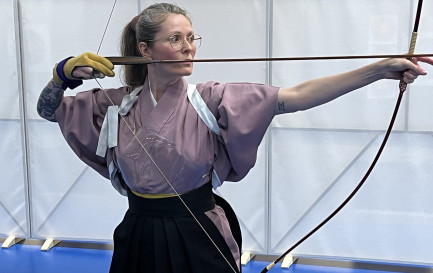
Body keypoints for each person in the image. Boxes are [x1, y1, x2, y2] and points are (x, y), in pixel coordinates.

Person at [36, 3, 433, 273]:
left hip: (199, 228)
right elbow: (48, 109)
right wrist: (62, 73)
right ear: (145, 49)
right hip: (138, 228)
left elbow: (294, 97)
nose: (188, 47)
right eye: (175, 39)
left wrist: (379, 69)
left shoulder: (212, 99)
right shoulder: (116, 104)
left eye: (192, 37)